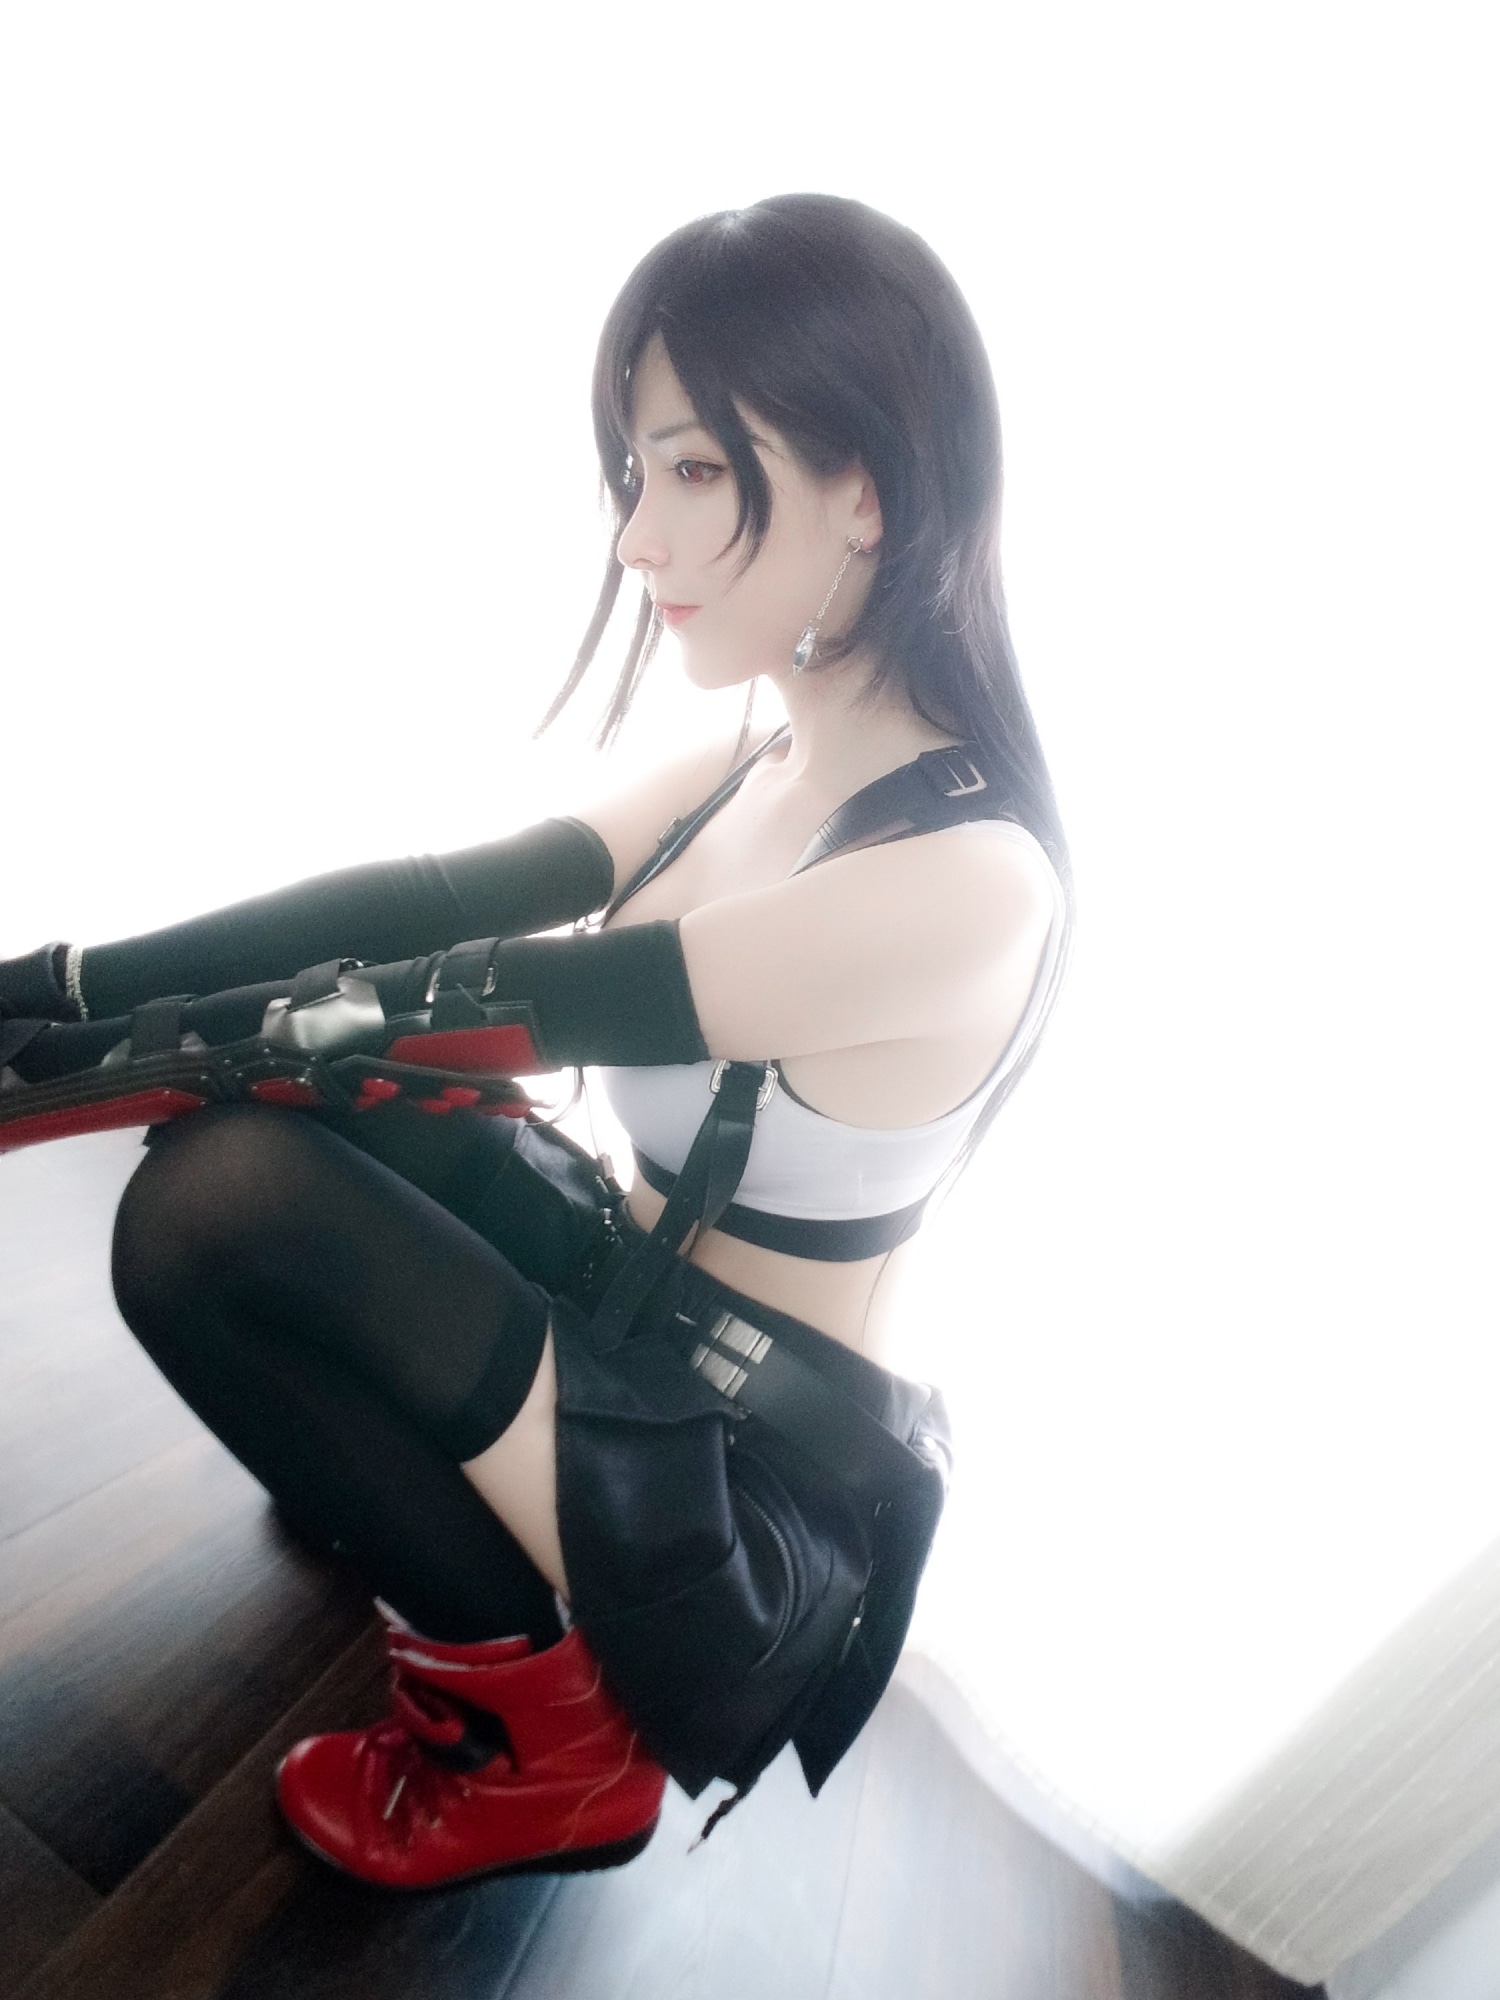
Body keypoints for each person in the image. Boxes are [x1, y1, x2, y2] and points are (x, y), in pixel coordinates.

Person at [0, 193, 1069, 1890]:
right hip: (618, 1297)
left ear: (866, 489)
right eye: (635, 473)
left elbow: (484, 994)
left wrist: (73, 1064)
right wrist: (59, 983)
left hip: (731, 1481)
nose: (638, 537)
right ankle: (406, 1495)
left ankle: (547, 1758)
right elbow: (429, 902)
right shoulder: (750, 762)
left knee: (223, 1202)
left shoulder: (969, 882)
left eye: (696, 470)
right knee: (312, 1104)